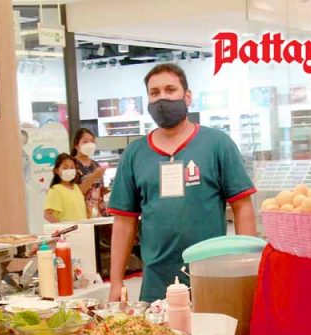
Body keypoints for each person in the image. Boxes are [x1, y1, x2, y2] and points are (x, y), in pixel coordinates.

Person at [107, 63, 257, 303]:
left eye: (170, 90)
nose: (162, 98)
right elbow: (124, 221)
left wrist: (247, 268)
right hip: (156, 280)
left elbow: (242, 206)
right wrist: (116, 281)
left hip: (211, 274)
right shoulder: (135, 153)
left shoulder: (217, 144)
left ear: (187, 96)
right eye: (155, 93)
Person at [71, 128, 107, 218]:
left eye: (92, 141)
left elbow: (99, 190)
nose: (90, 145)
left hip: (98, 213)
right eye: (85, 142)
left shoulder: (96, 165)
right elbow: (74, 192)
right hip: (80, 214)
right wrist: (94, 176)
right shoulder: (71, 165)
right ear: (76, 145)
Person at [44, 153, 87, 223]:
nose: (69, 170)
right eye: (65, 168)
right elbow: (47, 214)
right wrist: (63, 227)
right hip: (68, 229)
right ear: (57, 171)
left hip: (82, 227)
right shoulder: (55, 189)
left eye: (72, 167)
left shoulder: (76, 187)